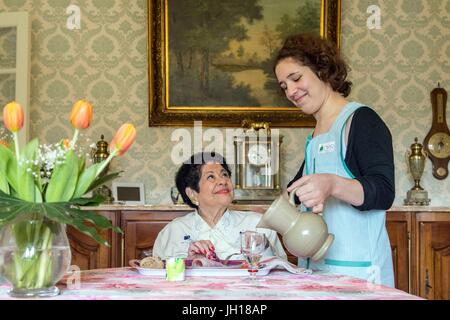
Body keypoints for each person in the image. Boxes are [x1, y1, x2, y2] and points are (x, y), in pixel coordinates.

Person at [274, 33, 395, 287]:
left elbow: (384, 192)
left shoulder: (362, 121)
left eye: (296, 78)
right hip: (317, 271)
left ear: (322, 69)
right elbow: (294, 193)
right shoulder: (316, 135)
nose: (291, 91)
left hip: (359, 273)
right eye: (284, 86)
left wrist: (331, 185)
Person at [153, 151, 287, 261]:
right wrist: (189, 262)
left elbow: (282, 273)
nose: (223, 181)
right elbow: (157, 275)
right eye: (211, 177)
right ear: (192, 194)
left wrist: (263, 247)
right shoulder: (174, 231)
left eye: (225, 174)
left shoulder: (258, 224)